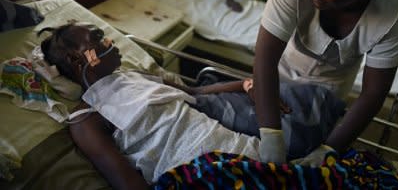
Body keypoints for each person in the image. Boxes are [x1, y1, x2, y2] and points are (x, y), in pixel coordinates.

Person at [253, 0, 398, 164]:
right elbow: (264, 59)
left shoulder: (389, 13)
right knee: (239, 100)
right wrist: (271, 136)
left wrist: (329, 150)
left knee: (304, 140)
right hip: (278, 78)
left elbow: (373, 92)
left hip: (327, 95)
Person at [38, 23, 260, 189]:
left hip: (248, 152)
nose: (110, 42)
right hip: (203, 176)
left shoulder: (135, 76)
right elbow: (129, 184)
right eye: (97, 38)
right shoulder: (87, 119)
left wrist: (245, 84)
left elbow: (195, 91)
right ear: (76, 59)